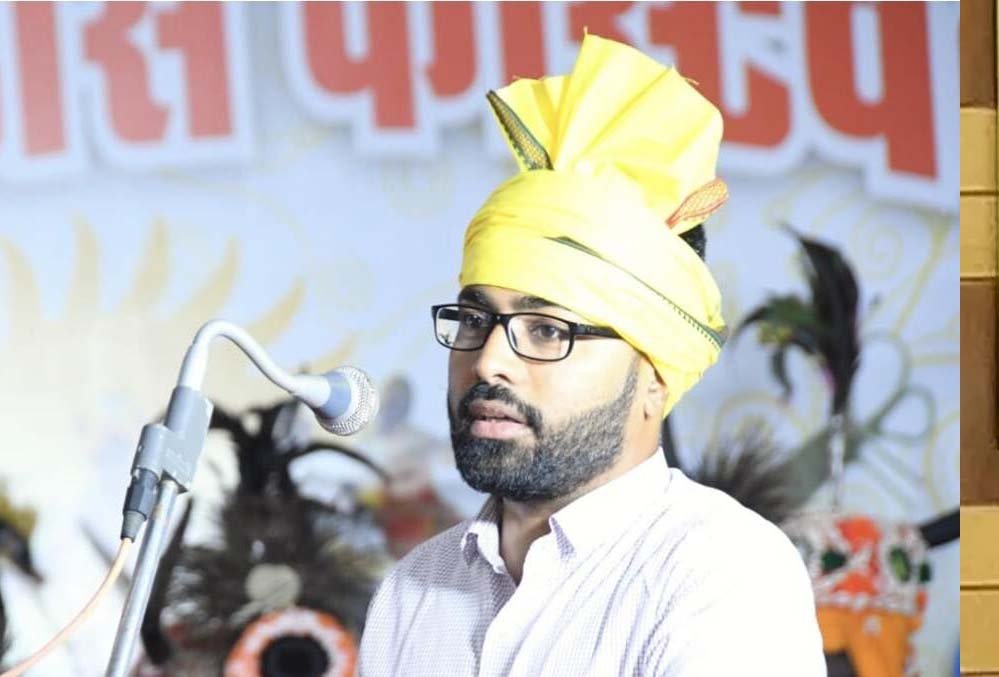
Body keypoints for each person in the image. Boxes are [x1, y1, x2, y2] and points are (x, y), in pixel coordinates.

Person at [358, 34, 824, 676]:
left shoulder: (721, 572)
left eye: (548, 330)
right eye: (475, 319)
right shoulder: (411, 592)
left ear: (654, 376)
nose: (489, 361)